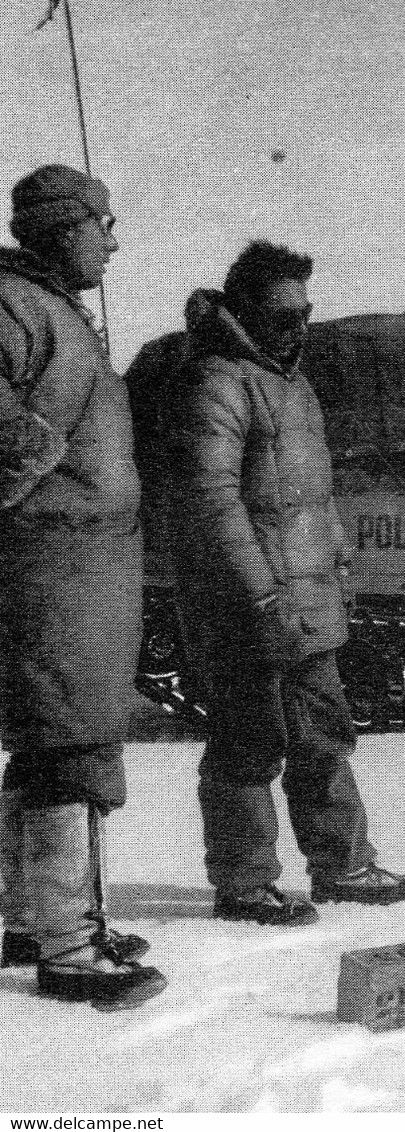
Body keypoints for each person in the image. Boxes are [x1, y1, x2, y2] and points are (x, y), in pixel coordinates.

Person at [166, 240, 405, 924]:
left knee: (323, 735)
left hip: (306, 600)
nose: (299, 325)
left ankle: (343, 866)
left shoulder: (293, 382)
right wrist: (261, 596)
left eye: (305, 311)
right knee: (249, 741)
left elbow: (314, 494)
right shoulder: (218, 382)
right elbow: (213, 503)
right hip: (245, 605)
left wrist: (335, 549)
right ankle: (245, 882)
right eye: (284, 314)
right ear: (245, 310)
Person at [0, 165, 166, 1009]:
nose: (112, 238)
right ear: (63, 227)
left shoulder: (54, 310)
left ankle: (25, 918)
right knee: (71, 748)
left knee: (56, 742)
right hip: (50, 566)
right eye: (103, 222)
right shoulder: (17, 306)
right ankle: (69, 946)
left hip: (82, 567)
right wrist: (39, 469)